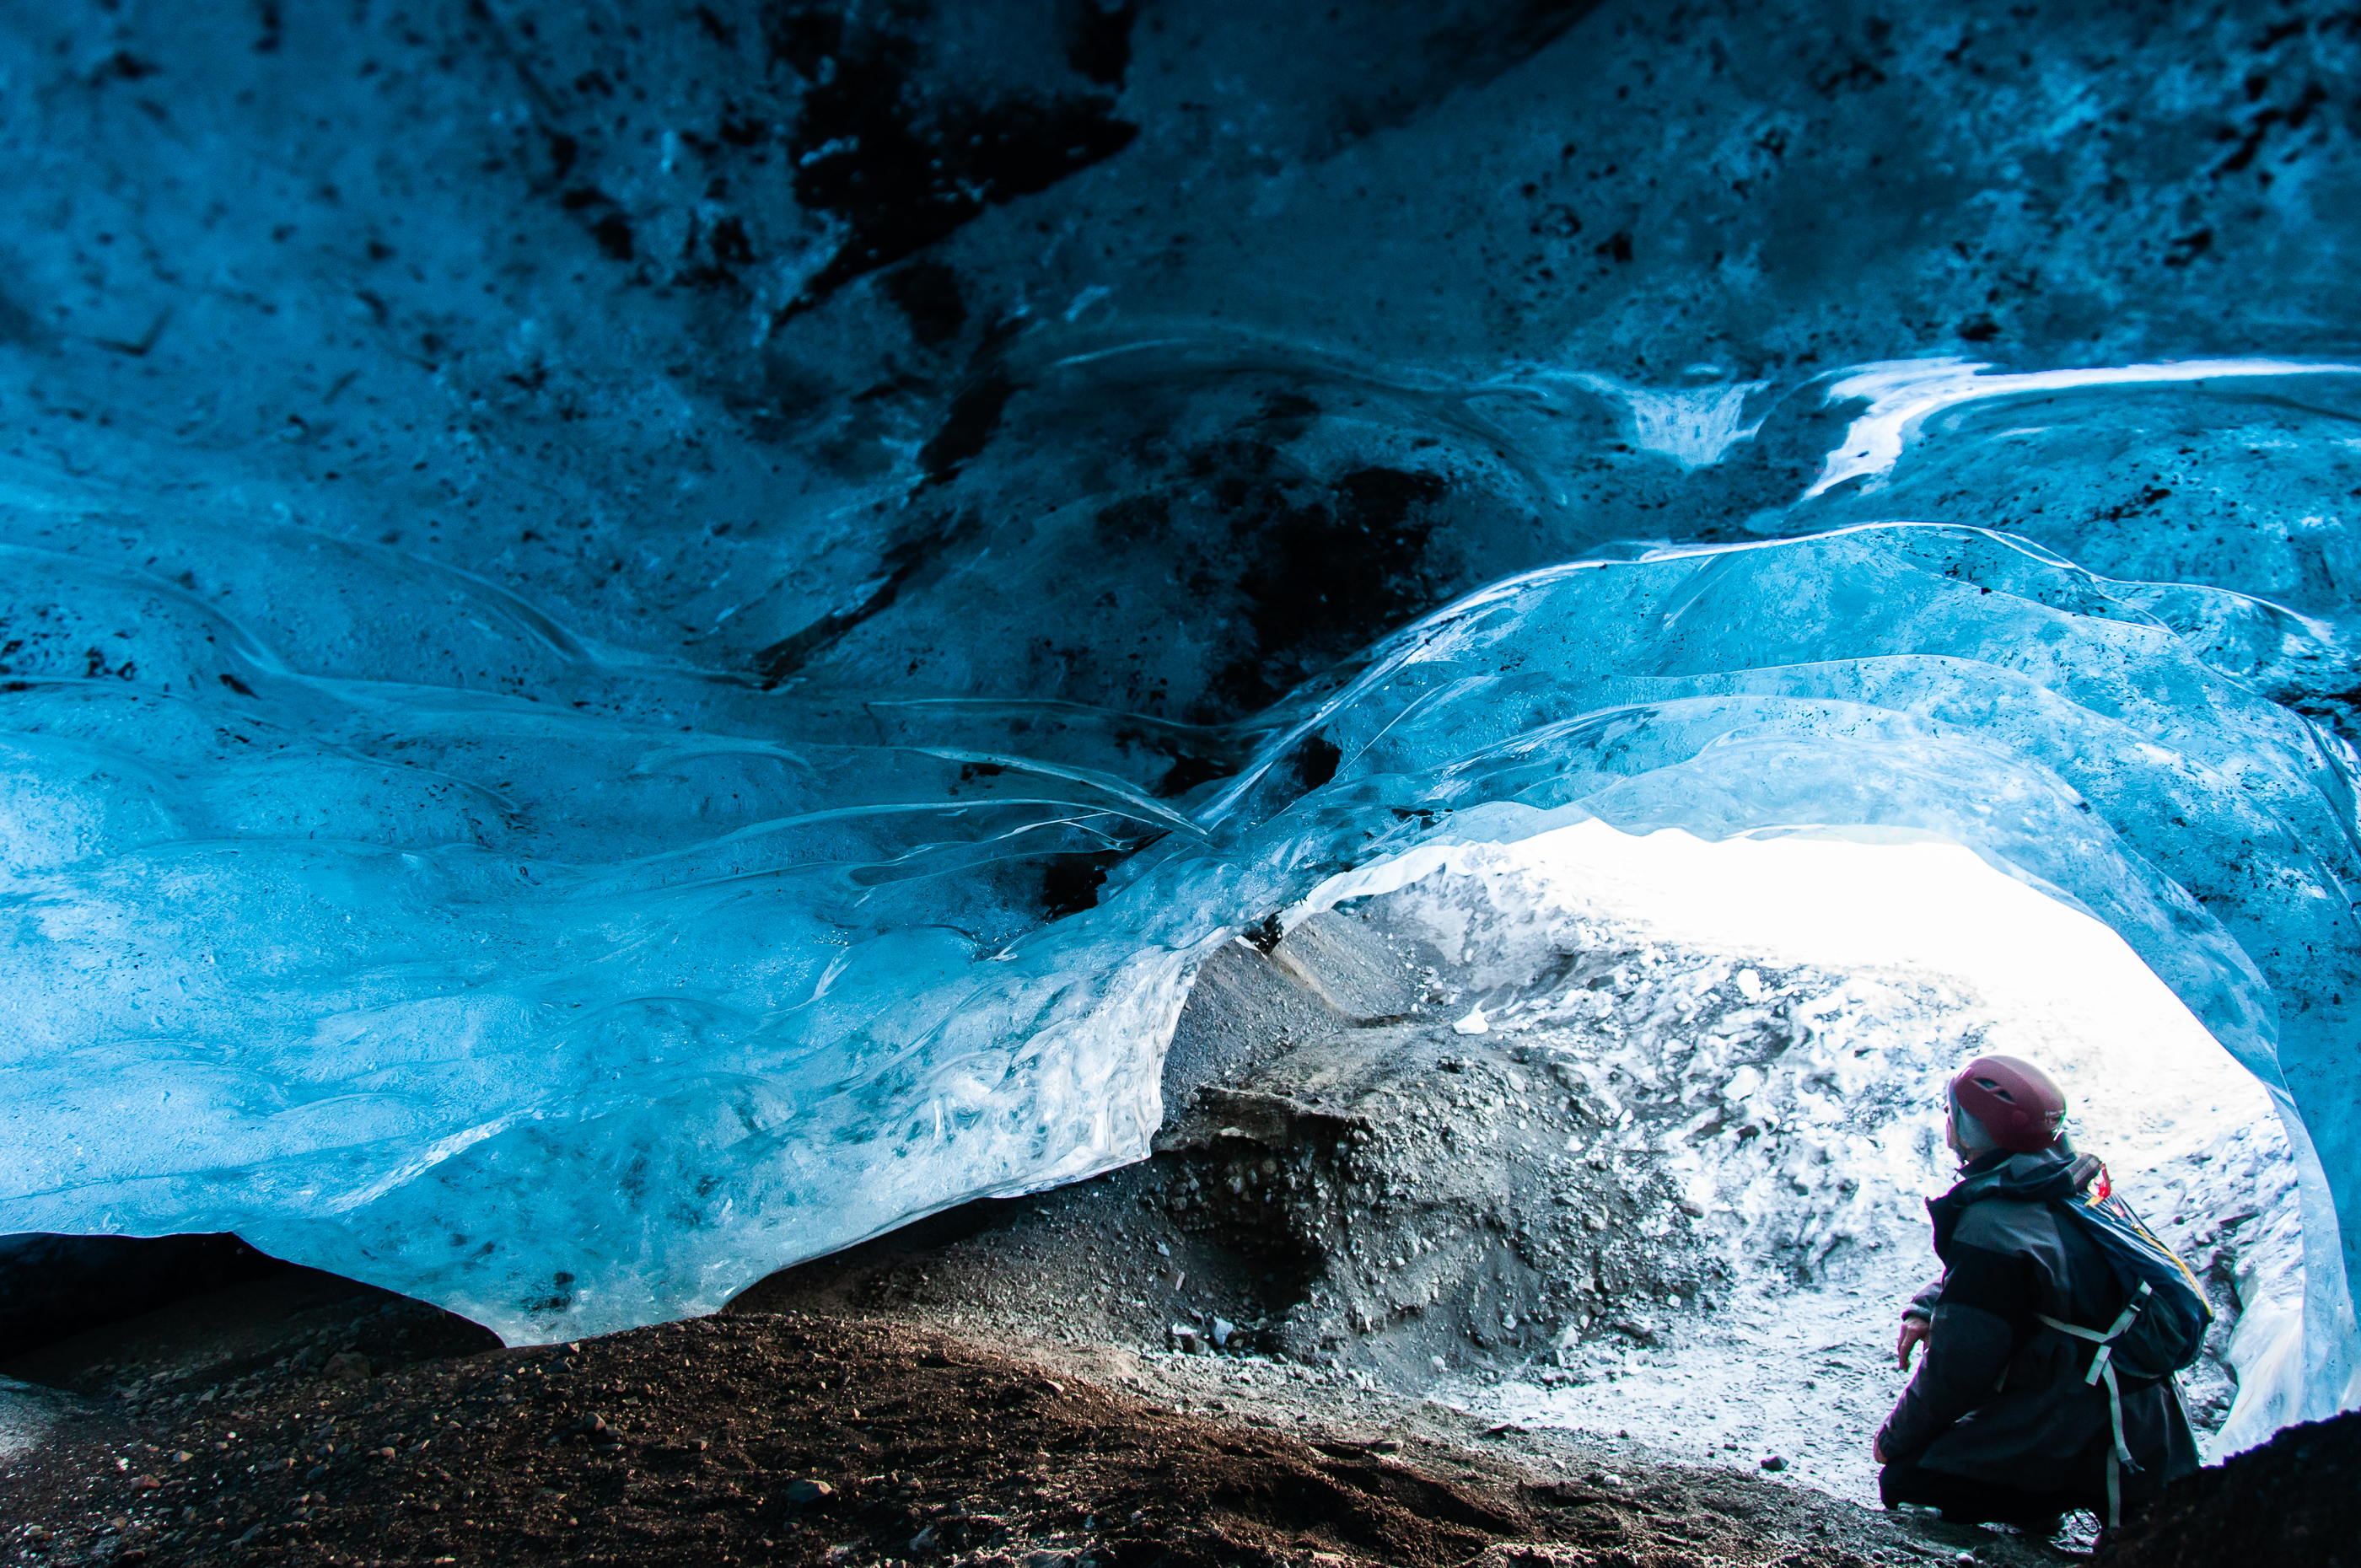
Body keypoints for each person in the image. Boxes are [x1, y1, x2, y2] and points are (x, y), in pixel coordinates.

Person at [1874, 1054, 2198, 1537]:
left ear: (1975, 1129)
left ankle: (2046, 1496)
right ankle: (2045, 1495)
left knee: (1907, 1476)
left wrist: (1893, 1439)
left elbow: (1959, 1370)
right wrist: (1928, 1305)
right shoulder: (2073, 1183)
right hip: (2152, 1430)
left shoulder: (1993, 1223)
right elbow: (2035, 1269)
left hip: (2087, 1431)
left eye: (1955, 1115)